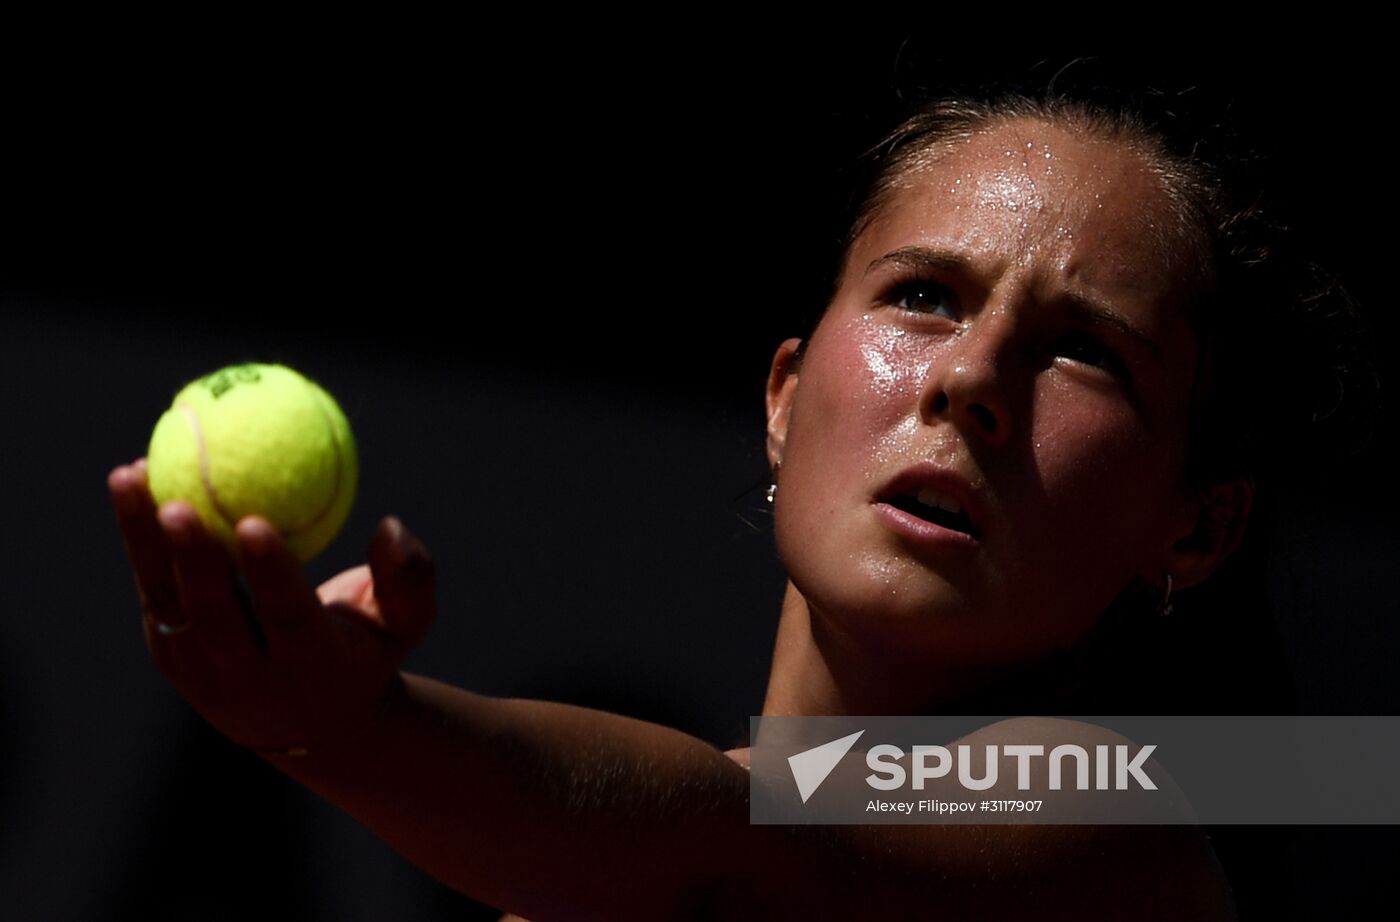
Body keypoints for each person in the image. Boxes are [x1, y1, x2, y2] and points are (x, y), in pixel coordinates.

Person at [106, 75, 1369, 919]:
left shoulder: (1120, 818)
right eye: (922, 294)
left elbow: (739, 819)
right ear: (782, 397)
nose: (973, 378)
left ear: (1195, 525)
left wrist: (350, 722)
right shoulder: (569, 883)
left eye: (1083, 350)